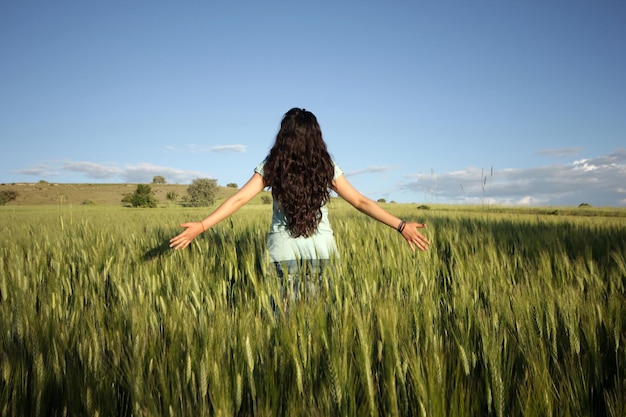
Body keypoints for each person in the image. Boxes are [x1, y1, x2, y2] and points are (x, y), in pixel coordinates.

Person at [170, 108, 430, 293]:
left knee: (284, 325)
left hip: (282, 255)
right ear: (316, 137)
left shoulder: (273, 165)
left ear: (284, 137)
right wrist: (400, 225)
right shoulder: (326, 167)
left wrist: (202, 226)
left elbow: (238, 200)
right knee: (320, 332)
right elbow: (361, 202)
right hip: (323, 255)